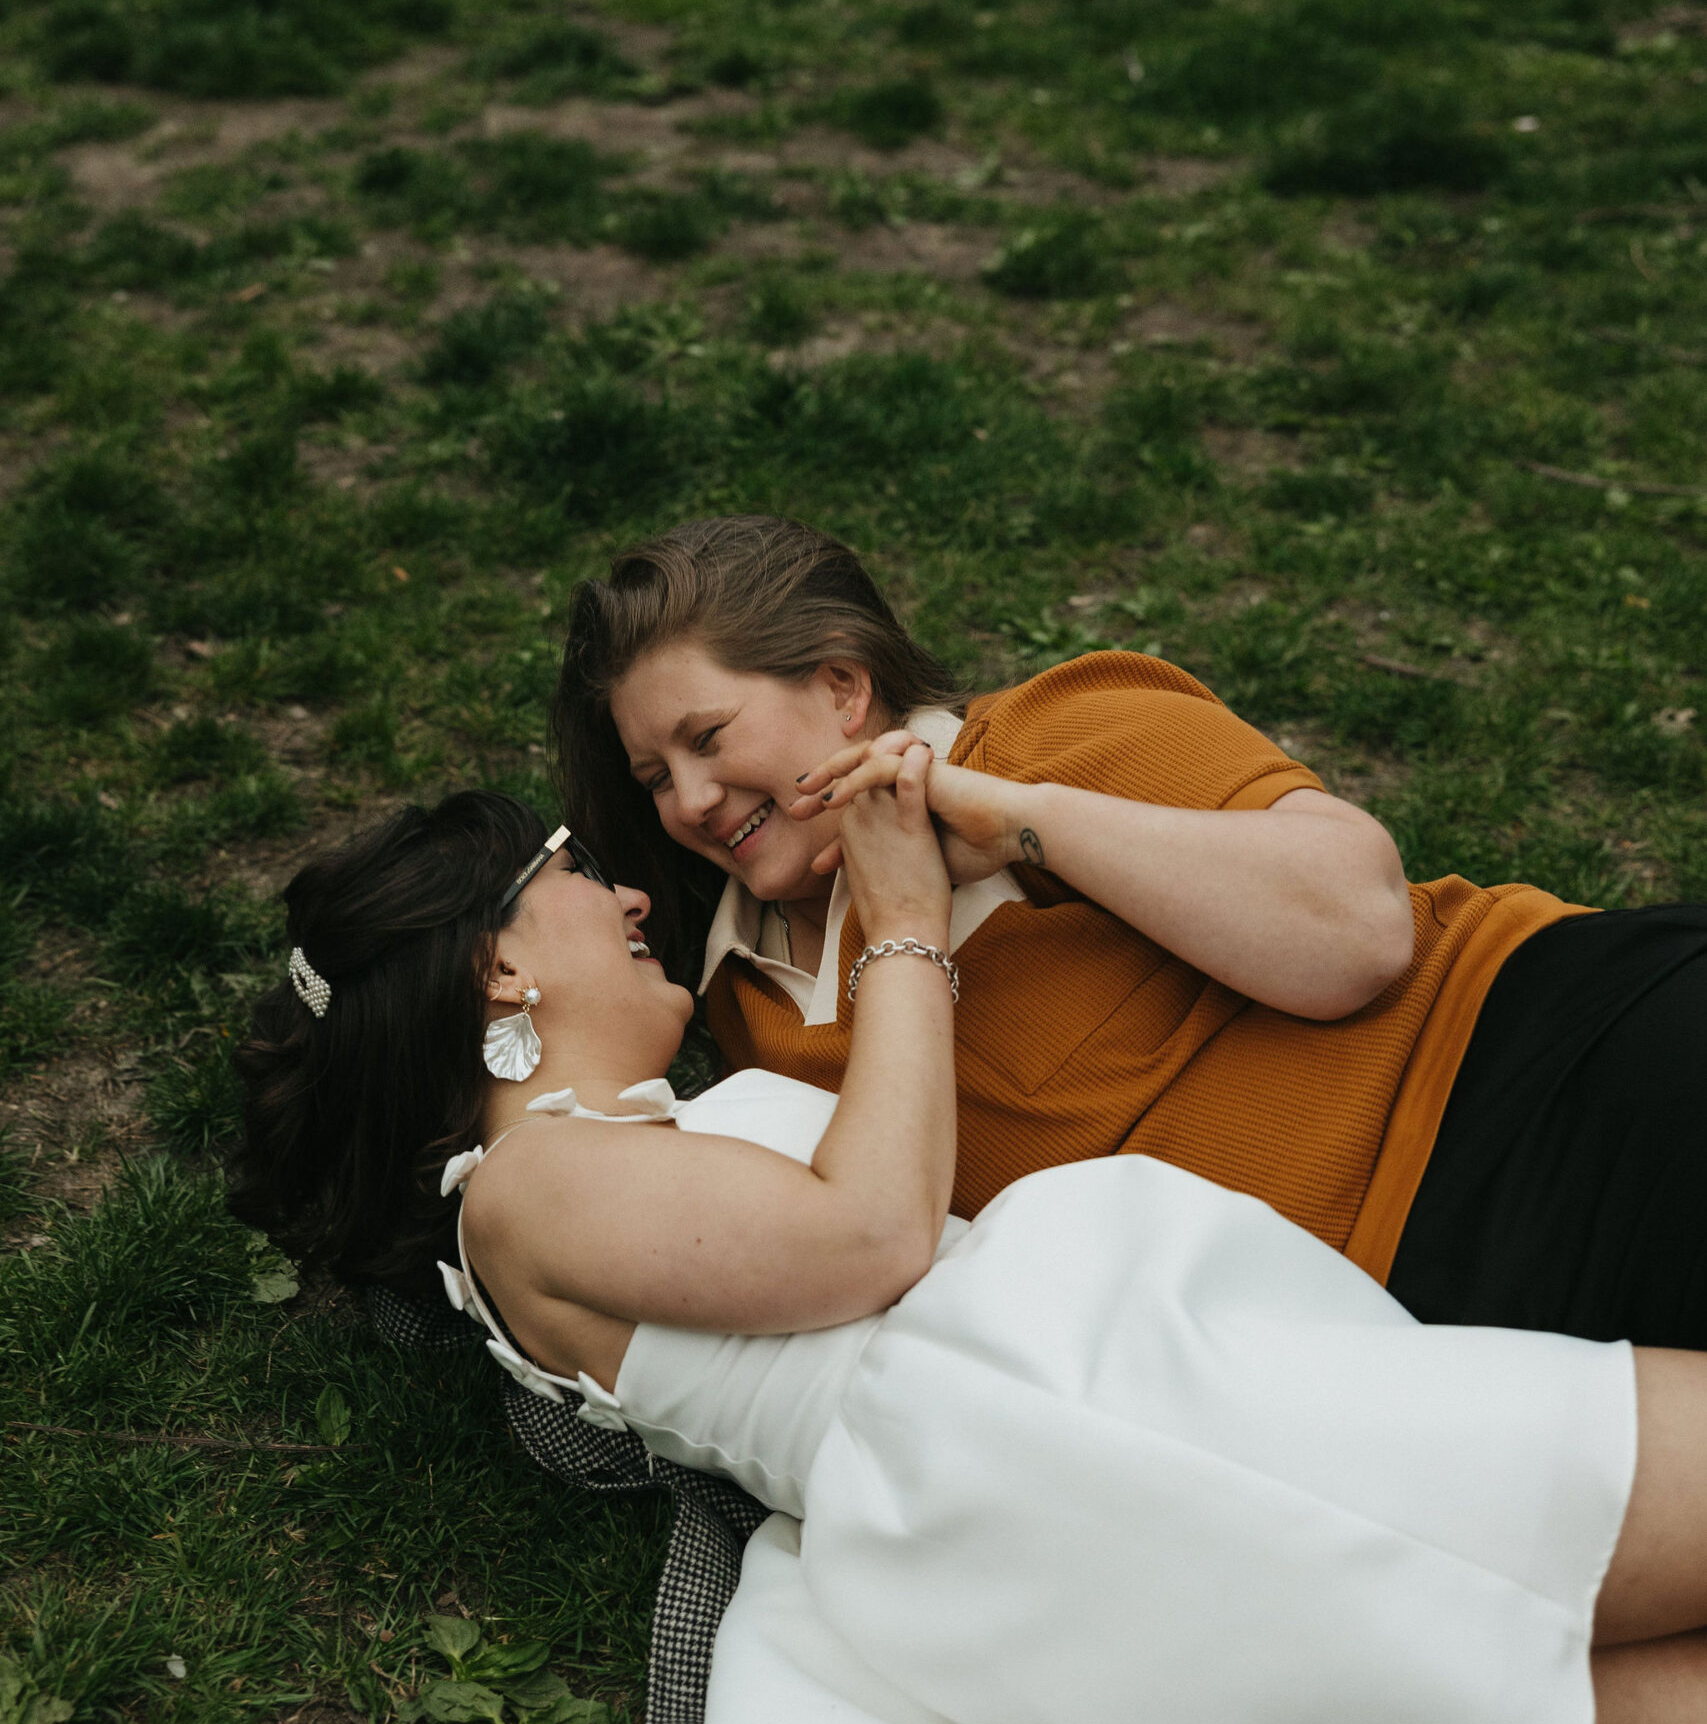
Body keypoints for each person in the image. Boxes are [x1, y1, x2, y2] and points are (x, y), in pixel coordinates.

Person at [232, 774, 1707, 1724]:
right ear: (499, 970)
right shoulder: (527, 1185)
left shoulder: (600, 1153)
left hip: (1082, 1453)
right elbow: (865, 1240)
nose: (629, 893)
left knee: (1545, 1705)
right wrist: (900, 922)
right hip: (1096, 1451)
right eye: (573, 876)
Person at [552, 513, 1707, 1349]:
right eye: (656, 774)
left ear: (844, 688)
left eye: (710, 736)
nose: (690, 801)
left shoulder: (1052, 733)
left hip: (1538, 1067)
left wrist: (1013, 825)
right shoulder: (740, 1007)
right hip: (1407, 1298)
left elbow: (1357, 934)